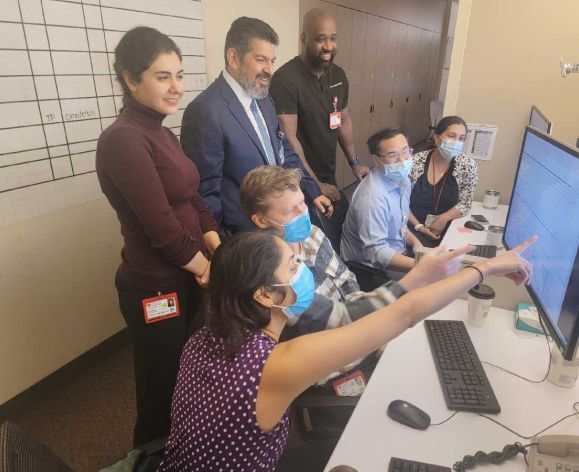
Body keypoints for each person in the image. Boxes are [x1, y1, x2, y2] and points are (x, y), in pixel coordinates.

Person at [158, 230, 536, 471]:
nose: (304, 269)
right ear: (266, 295)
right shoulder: (273, 365)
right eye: (294, 265)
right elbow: (405, 314)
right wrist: (486, 269)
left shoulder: (205, 336)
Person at [95, 27, 220, 446]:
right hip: (154, 287)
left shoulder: (163, 132)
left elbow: (194, 199)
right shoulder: (123, 140)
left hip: (186, 276)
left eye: (179, 75)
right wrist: (207, 269)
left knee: (185, 379)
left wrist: (216, 247)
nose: (176, 87)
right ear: (131, 80)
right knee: (161, 389)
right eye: (162, 76)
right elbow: (162, 226)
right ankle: (148, 457)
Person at [239, 165, 462, 343]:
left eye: (302, 204)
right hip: (328, 349)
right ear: (260, 220)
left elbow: (346, 280)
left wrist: (368, 314)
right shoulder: (272, 273)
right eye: (290, 211)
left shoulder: (312, 234)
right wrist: (412, 281)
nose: (303, 213)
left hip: (354, 320)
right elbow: (331, 322)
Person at [180, 17, 332, 235]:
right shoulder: (206, 111)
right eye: (261, 60)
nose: (270, 70)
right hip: (243, 232)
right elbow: (205, 192)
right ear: (233, 57)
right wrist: (222, 250)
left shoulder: (263, 97)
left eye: (272, 60)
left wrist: (312, 190)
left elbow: (284, 150)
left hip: (277, 222)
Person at [270, 8, 369, 203]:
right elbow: (289, 140)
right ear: (304, 38)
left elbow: (343, 120)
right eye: (321, 39)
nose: (329, 46)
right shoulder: (285, 80)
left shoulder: (338, 75)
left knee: (332, 223)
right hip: (296, 179)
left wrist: (354, 163)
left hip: (326, 171)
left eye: (333, 38)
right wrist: (315, 184)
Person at [341, 128, 422, 273]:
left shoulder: (403, 180)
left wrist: (417, 245)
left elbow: (400, 227)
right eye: (393, 155)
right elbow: (377, 254)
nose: (402, 160)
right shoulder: (373, 199)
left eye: (405, 152)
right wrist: (421, 266)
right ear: (376, 160)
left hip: (397, 252)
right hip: (372, 268)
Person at [408, 115, 478, 247]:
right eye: (451, 136)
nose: (456, 142)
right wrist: (418, 227)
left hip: (449, 229)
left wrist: (444, 218)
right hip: (413, 228)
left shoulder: (468, 165)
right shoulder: (414, 162)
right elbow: (400, 202)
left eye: (461, 138)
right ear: (437, 138)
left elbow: (465, 203)